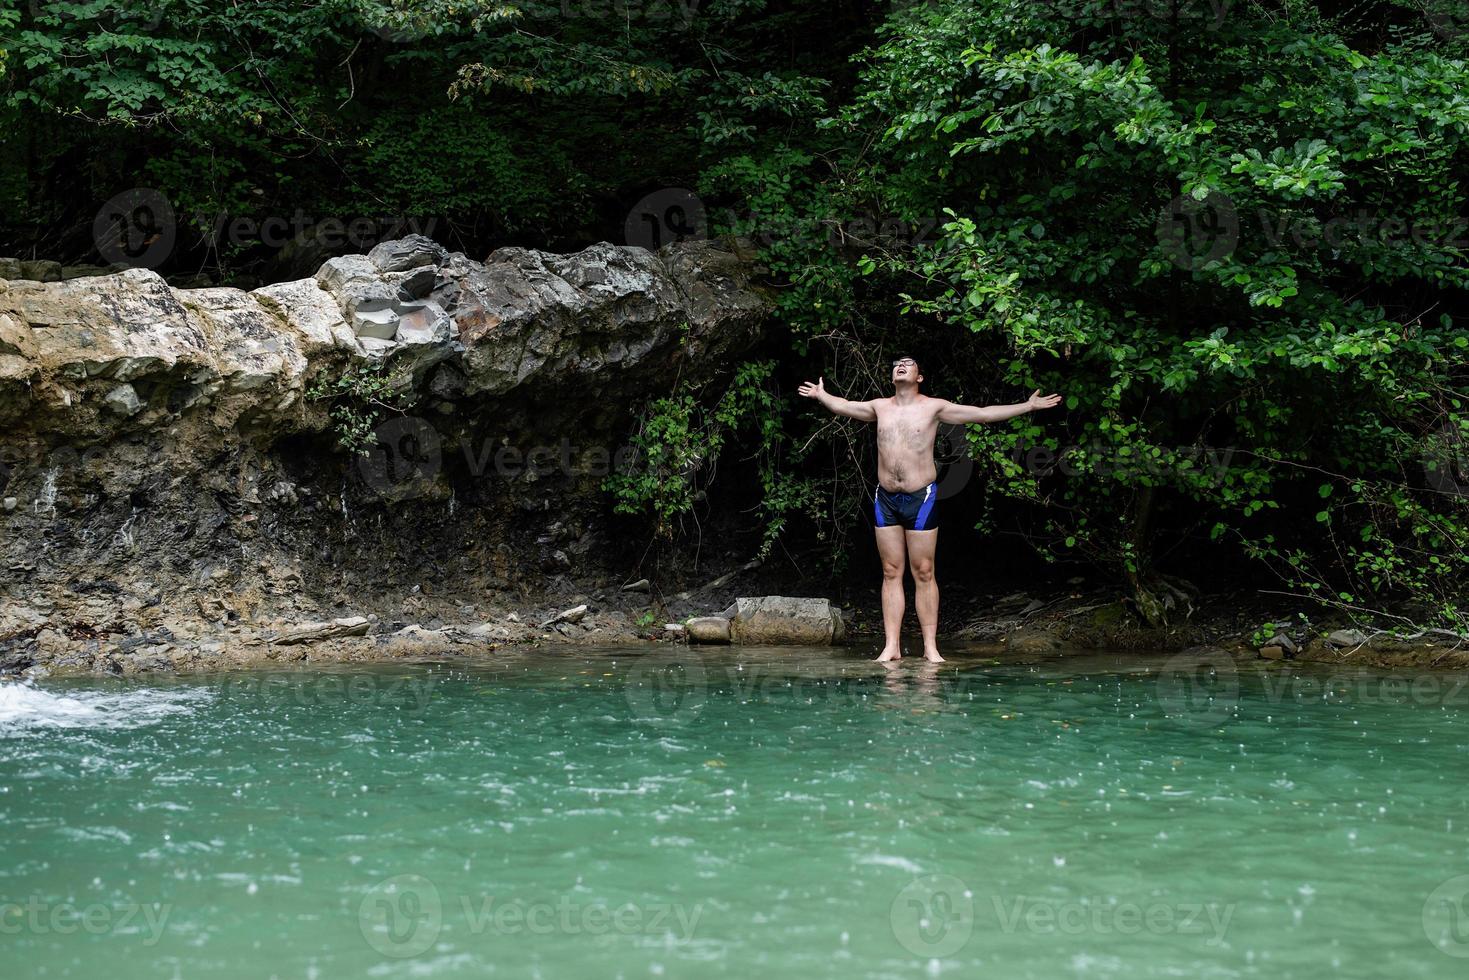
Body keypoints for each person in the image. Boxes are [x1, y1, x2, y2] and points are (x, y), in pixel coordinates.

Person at [798, 357, 1062, 662]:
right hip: (885, 498)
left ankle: (930, 648)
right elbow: (844, 405)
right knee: (890, 571)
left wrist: (1027, 406)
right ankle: (891, 647)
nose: (900, 365)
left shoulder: (933, 407)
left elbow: (982, 415)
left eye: (907, 364)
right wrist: (822, 396)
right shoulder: (879, 406)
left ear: (919, 376)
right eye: (896, 363)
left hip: (919, 497)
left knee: (923, 571)